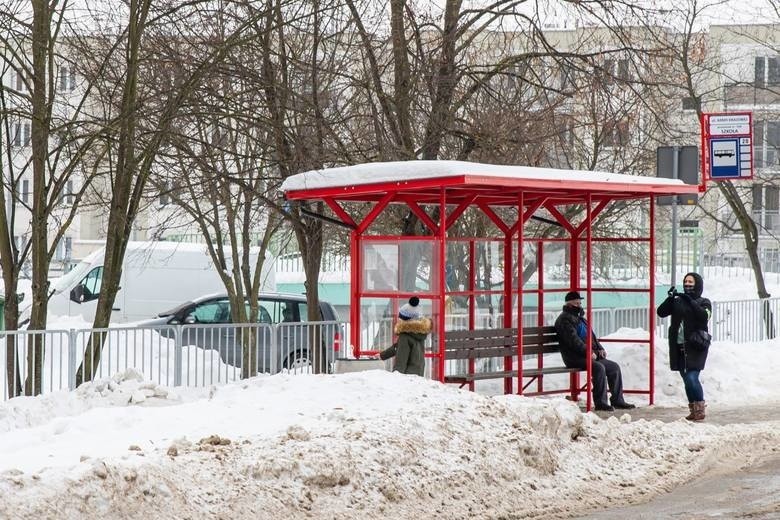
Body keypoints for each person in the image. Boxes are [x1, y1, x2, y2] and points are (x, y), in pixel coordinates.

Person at [555, 291, 636, 412]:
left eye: (580, 303)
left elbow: (591, 337)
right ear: (569, 304)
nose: (579, 305)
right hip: (574, 357)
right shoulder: (564, 320)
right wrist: (588, 352)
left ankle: (618, 400)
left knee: (614, 367)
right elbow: (574, 342)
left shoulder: (580, 319)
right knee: (599, 368)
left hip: (588, 354)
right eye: (576, 303)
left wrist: (600, 348)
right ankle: (601, 403)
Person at [656, 272, 712, 421]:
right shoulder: (678, 301)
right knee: (686, 380)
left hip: (696, 346)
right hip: (679, 346)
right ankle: (693, 409)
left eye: (691, 282)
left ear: (697, 284)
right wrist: (670, 299)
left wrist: (690, 301)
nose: (687, 284)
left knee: (692, 377)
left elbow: (704, 316)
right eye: (686, 282)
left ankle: (700, 409)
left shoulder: (704, 302)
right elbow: (661, 312)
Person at [378, 296, 431, 377]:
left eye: (401, 318)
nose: (399, 320)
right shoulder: (419, 333)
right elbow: (398, 347)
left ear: (406, 320)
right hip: (418, 373)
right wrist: (382, 355)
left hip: (407, 376)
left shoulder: (405, 337)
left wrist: (396, 376)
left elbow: (401, 360)